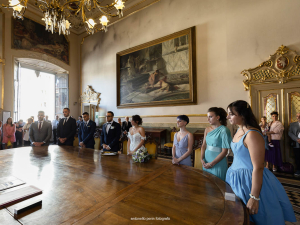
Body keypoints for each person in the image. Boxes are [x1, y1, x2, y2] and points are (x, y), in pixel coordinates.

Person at [226, 100, 296, 225]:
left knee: (260, 216)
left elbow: (258, 167)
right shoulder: (238, 130)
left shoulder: (252, 134)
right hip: (235, 178)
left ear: (242, 115)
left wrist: (254, 197)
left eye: (231, 114)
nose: (228, 117)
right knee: (238, 215)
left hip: (251, 179)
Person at [201, 107, 232, 180]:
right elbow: (203, 145)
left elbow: (224, 152)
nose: (208, 119)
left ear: (218, 117)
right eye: (207, 117)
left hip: (218, 162)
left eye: (210, 117)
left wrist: (212, 163)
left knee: (217, 186)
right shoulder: (207, 129)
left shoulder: (224, 130)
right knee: (207, 185)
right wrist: (202, 159)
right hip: (206, 161)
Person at [288, 112, 300, 176]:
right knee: (297, 157)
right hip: (297, 143)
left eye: (299, 116)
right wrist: (297, 139)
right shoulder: (292, 124)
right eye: (297, 116)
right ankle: (298, 170)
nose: (298, 117)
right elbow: (290, 133)